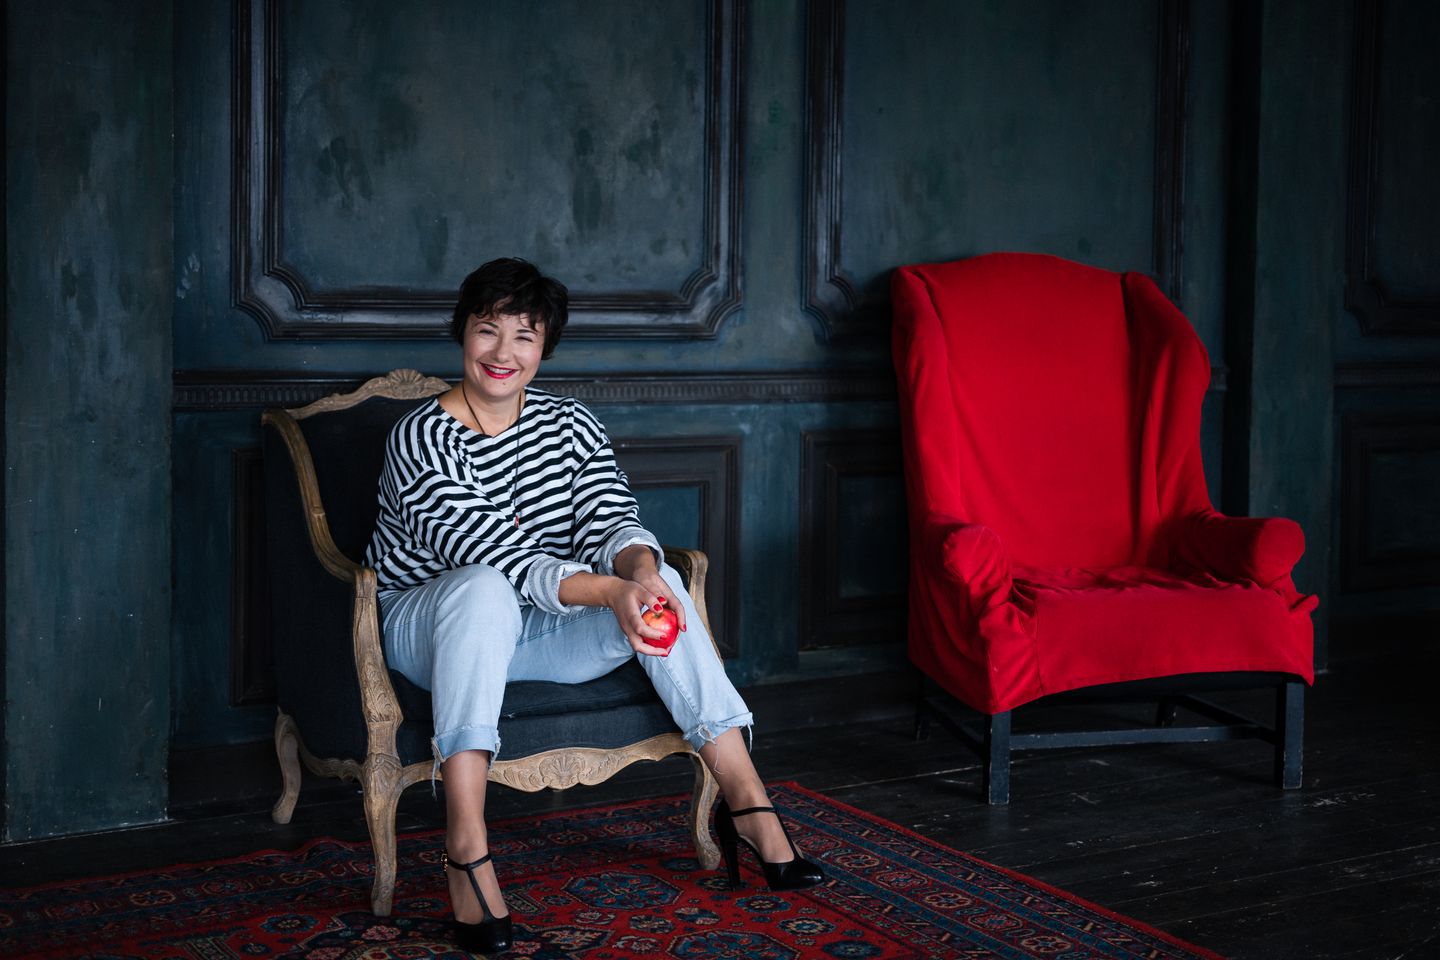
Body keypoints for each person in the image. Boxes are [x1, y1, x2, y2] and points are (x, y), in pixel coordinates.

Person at [365, 257, 823, 953]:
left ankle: (747, 801)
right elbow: (496, 553)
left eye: (524, 335)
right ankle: (465, 846)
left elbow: (611, 518)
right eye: (488, 330)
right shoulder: (420, 437)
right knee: (484, 588)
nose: (503, 352)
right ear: (462, 331)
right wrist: (610, 592)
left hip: (534, 629)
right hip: (429, 628)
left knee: (664, 582)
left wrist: (638, 572)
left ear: (545, 345)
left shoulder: (570, 423)